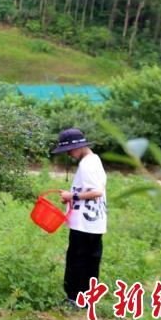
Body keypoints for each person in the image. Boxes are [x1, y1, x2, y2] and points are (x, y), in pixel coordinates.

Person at [51, 128, 107, 308]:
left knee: (78, 260)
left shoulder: (86, 165)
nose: (69, 154)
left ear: (80, 146)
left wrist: (72, 197)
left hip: (85, 223)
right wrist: (71, 195)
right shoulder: (94, 159)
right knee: (90, 261)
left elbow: (97, 192)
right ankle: (87, 298)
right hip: (94, 221)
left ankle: (75, 299)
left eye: (69, 150)